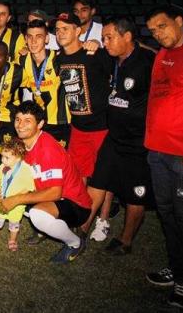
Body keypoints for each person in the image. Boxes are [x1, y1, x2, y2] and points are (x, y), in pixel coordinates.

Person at [0, 101, 92, 264]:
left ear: (40, 124)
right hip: (47, 193)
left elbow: (55, 192)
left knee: (38, 215)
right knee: (13, 192)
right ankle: (44, 229)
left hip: (74, 203)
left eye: (27, 120)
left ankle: (75, 243)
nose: (20, 125)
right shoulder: (21, 143)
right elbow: (7, 166)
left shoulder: (48, 149)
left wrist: (16, 199)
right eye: (18, 119)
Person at [85, 16, 155, 250]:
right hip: (113, 138)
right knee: (97, 182)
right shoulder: (110, 57)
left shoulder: (147, 62)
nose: (105, 42)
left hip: (137, 143)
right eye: (103, 37)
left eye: (110, 37)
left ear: (127, 37)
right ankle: (82, 228)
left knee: (135, 196)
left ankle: (125, 240)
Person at [54, 12, 112, 243]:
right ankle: (79, 216)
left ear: (78, 31)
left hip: (102, 127)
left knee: (102, 177)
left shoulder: (94, 54)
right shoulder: (59, 60)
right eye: (57, 30)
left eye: (66, 28)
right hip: (78, 127)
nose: (60, 33)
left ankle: (102, 219)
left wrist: (98, 44)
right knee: (78, 176)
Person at [143, 6, 183, 308]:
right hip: (157, 151)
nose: (158, 33)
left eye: (162, 26)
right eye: (154, 29)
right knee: (167, 215)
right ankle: (178, 269)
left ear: (180, 22)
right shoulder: (161, 53)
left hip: (181, 155)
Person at [17, 19, 70, 146]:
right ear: (25, 39)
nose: (33, 41)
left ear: (46, 39)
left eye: (39, 37)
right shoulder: (21, 61)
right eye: (30, 37)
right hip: (37, 123)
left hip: (60, 122)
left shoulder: (58, 59)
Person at [0, 138, 35, 252]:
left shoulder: (26, 170)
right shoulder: (3, 167)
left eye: (7, 157)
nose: (3, 160)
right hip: (2, 200)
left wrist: (19, 197)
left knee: (14, 224)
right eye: (2, 156)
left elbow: (30, 188)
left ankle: (12, 240)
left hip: (17, 205)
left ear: (19, 157)